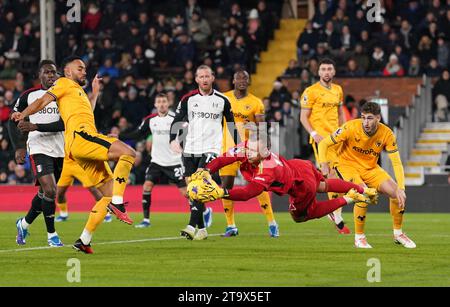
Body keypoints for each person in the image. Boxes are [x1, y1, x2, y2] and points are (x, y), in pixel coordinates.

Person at [11, 56, 136, 254]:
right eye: (80, 68)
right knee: (128, 153)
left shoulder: (77, 92)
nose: (84, 71)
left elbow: (87, 113)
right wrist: (23, 114)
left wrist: (94, 93)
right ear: (68, 72)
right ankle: (117, 203)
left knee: (107, 194)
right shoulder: (63, 83)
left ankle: (84, 240)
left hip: (75, 145)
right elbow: (43, 100)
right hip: (81, 139)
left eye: (85, 68)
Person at [187, 130, 377, 225]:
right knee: (324, 185)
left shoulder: (267, 170)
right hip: (300, 165)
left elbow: (247, 193)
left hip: (301, 185)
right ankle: (361, 189)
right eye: (249, 148)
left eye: (255, 150)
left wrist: (222, 192)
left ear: (266, 151)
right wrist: (206, 170)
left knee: (301, 216)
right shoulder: (246, 148)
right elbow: (222, 159)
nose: (249, 153)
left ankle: (349, 198)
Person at [318, 102, 416, 249]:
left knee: (396, 193)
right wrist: (324, 164)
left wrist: (401, 187)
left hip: (370, 168)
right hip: (347, 165)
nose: (365, 122)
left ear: (378, 118)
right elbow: (323, 144)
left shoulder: (387, 133)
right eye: (363, 118)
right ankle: (359, 238)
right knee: (363, 194)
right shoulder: (350, 127)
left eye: (369, 118)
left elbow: (396, 163)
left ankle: (398, 234)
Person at [169, 65, 236, 240]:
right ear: (196, 79)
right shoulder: (188, 99)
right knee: (192, 189)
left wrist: (238, 145)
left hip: (211, 148)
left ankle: (191, 226)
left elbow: (231, 124)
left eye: (207, 76)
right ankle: (203, 229)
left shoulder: (222, 100)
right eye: (201, 76)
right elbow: (177, 119)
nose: (204, 79)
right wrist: (172, 139)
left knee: (199, 182)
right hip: (190, 148)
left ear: (213, 78)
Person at [8, 60, 64, 247]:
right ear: (40, 74)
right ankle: (52, 235)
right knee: (50, 190)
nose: (51, 75)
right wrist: (19, 146)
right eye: (47, 72)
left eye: (54, 72)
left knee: (44, 193)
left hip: (60, 150)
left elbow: (64, 124)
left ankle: (23, 224)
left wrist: (35, 125)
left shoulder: (63, 95)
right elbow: (12, 120)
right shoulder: (28, 96)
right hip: (38, 148)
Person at [220, 69, 278, 237]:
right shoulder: (224, 98)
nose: (242, 81)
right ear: (233, 81)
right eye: (238, 78)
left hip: (248, 149)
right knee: (227, 186)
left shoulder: (256, 102)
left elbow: (261, 127)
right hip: (228, 149)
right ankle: (231, 225)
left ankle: (272, 222)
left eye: (245, 78)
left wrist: (265, 147)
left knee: (258, 185)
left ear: (249, 81)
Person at [118, 93, 187, 228]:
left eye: (164, 101)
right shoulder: (150, 120)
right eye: (159, 102)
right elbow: (137, 134)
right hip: (156, 161)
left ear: (168, 103)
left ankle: (204, 211)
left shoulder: (176, 119)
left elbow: (186, 135)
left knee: (186, 193)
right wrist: (119, 136)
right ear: (155, 105)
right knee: (147, 186)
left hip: (174, 162)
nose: (161, 104)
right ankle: (146, 220)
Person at [299, 58, 350, 234]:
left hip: (337, 138)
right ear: (319, 72)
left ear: (333, 72)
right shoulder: (311, 91)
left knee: (338, 177)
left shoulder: (338, 90)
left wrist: (345, 131)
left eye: (329, 69)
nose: (327, 72)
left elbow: (340, 113)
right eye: (323, 69)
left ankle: (332, 211)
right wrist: (314, 134)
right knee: (332, 175)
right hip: (321, 141)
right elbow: (303, 117)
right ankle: (336, 214)